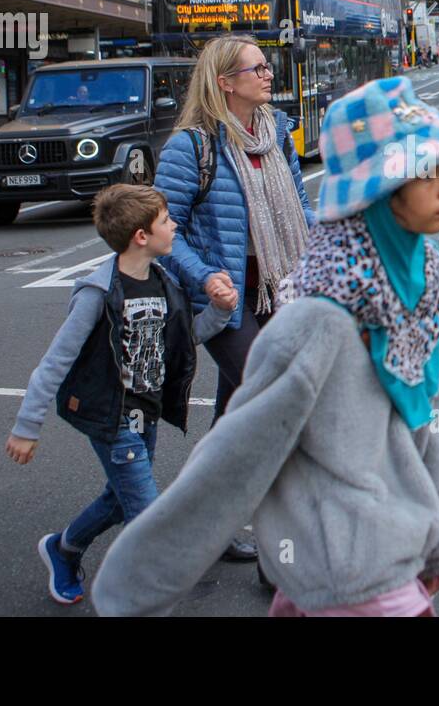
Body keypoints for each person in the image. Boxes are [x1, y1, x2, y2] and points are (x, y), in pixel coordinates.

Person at [93, 77, 439, 617]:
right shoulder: (317, 321)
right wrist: (136, 586)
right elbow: (236, 457)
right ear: (379, 191)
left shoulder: (421, 284)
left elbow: (435, 425)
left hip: (387, 565)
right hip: (348, 580)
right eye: (423, 173)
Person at [154, 34, 314, 565]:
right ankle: (278, 542)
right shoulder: (192, 146)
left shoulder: (279, 133)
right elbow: (162, 230)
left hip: (276, 285)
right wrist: (204, 278)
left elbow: (301, 206)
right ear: (225, 82)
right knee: (269, 398)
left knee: (231, 416)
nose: (269, 74)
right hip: (225, 298)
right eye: (257, 68)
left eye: (268, 66)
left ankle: (203, 523)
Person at [5, 184, 196, 605]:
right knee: (147, 517)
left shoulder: (164, 284)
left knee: (117, 498)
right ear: (141, 237)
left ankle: (64, 548)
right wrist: (26, 426)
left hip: (145, 413)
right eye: (166, 220)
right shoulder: (97, 293)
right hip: (112, 417)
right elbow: (55, 361)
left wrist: (219, 310)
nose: (175, 224)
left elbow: (187, 340)